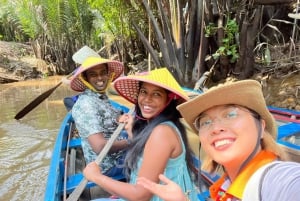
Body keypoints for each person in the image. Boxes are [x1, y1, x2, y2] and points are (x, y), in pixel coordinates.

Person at [137, 80, 300, 201]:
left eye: (230, 114)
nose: (215, 128)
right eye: (205, 122)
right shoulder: (225, 186)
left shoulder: (278, 180)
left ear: (261, 126)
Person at [83, 68, 199, 201]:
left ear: (168, 100)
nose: (147, 99)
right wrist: (132, 133)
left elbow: (141, 195)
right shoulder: (159, 126)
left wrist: (96, 177)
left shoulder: (162, 133)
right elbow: (147, 153)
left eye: (157, 94)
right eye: (144, 92)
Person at [70, 56, 130, 178]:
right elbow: (100, 147)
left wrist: (118, 118)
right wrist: (132, 142)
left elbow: (108, 114)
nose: (100, 78)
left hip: (116, 148)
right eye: (93, 75)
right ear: (86, 78)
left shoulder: (99, 95)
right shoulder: (86, 105)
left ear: (108, 74)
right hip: (109, 165)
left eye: (103, 73)